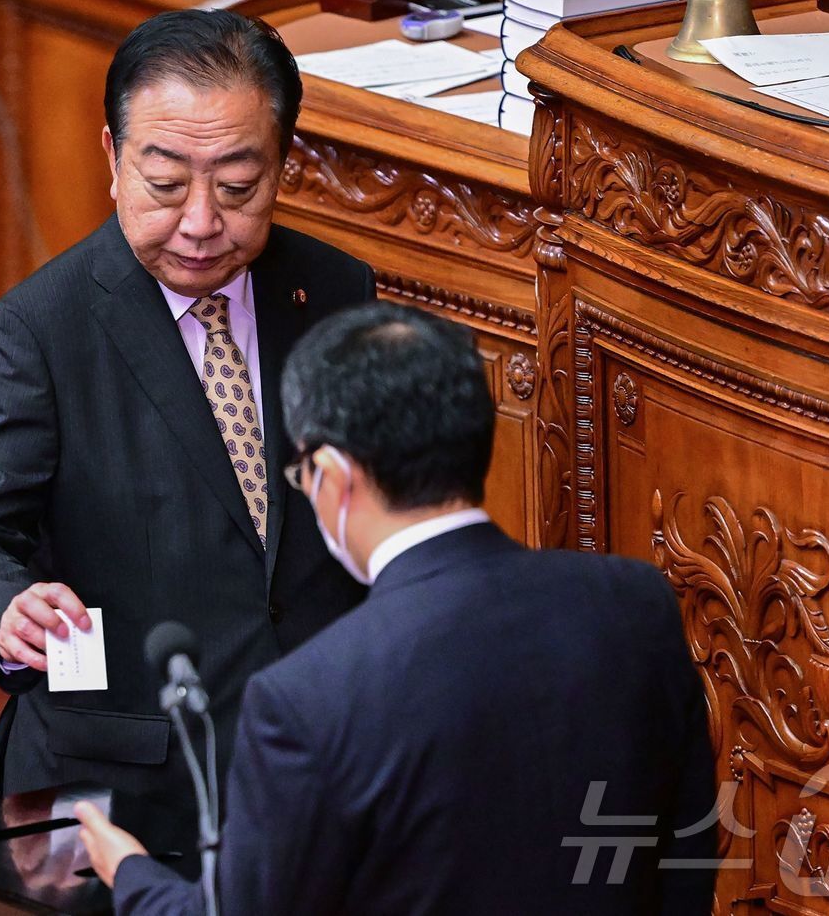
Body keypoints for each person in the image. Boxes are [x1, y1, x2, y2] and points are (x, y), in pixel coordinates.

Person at [75, 302, 718, 915]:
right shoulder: (636, 605)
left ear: (331, 474)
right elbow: (685, 847)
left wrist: (132, 875)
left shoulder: (304, 701)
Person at [0, 8, 372, 827]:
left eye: (237, 187)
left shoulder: (336, 292)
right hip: (128, 783)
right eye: (165, 184)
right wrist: (5, 608)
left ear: (283, 165)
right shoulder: (40, 331)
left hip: (320, 754)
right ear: (113, 159)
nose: (201, 222)